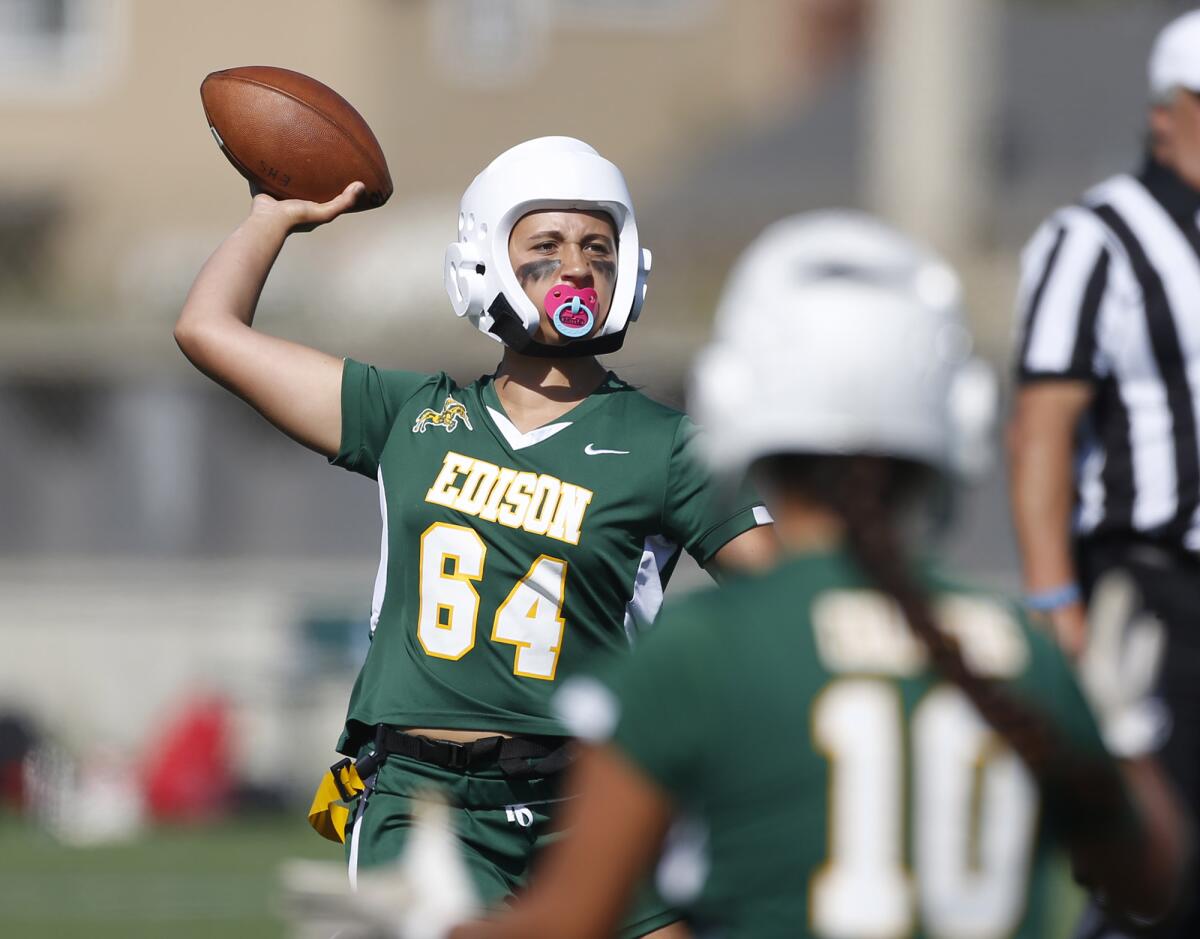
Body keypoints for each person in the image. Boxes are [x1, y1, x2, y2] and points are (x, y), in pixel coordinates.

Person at [450, 212, 1191, 939]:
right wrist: (1120, 733)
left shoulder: (704, 652)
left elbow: (569, 922)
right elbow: (1151, 881)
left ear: (735, 398)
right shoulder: (1017, 653)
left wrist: (431, 924)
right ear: (954, 415)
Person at [174, 135, 775, 938]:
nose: (577, 268)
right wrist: (272, 216)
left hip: (592, 796)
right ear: (485, 259)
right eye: (547, 245)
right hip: (423, 801)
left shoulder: (668, 445)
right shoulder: (413, 416)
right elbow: (208, 329)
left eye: (598, 246)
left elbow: (795, 598)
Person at [1008, 10, 1200, 937]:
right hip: (1153, 587)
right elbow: (1042, 429)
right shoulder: (1099, 239)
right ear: (1168, 113)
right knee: (1157, 867)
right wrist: (1060, 611)